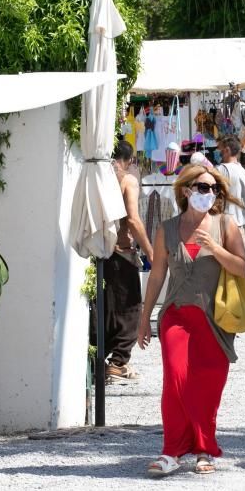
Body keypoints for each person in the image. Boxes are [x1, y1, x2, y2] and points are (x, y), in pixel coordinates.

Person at [136, 164, 245, 477]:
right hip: (176, 316)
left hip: (215, 321)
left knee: (207, 387)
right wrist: (145, 319)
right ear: (186, 191)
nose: (208, 193)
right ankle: (171, 451)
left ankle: (203, 449)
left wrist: (215, 249)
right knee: (176, 380)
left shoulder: (226, 225)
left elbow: (241, 267)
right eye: (201, 187)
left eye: (213, 188)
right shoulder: (166, 229)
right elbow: (157, 275)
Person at [93, 140, 154, 383]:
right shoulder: (127, 179)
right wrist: (150, 251)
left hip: (101, 251)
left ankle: (104, 359)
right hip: (121, 250)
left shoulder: (100, 177)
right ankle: (118, 363)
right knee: (130, 309)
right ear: (129, 160)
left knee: (107, 309)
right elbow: (134, 220)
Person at [216, 135, 245, 228]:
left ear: (227, 150)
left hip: (226, 226)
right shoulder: (243, 171)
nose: (219, 153)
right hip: (240, 226)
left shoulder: (221, 169)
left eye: (221, 151)